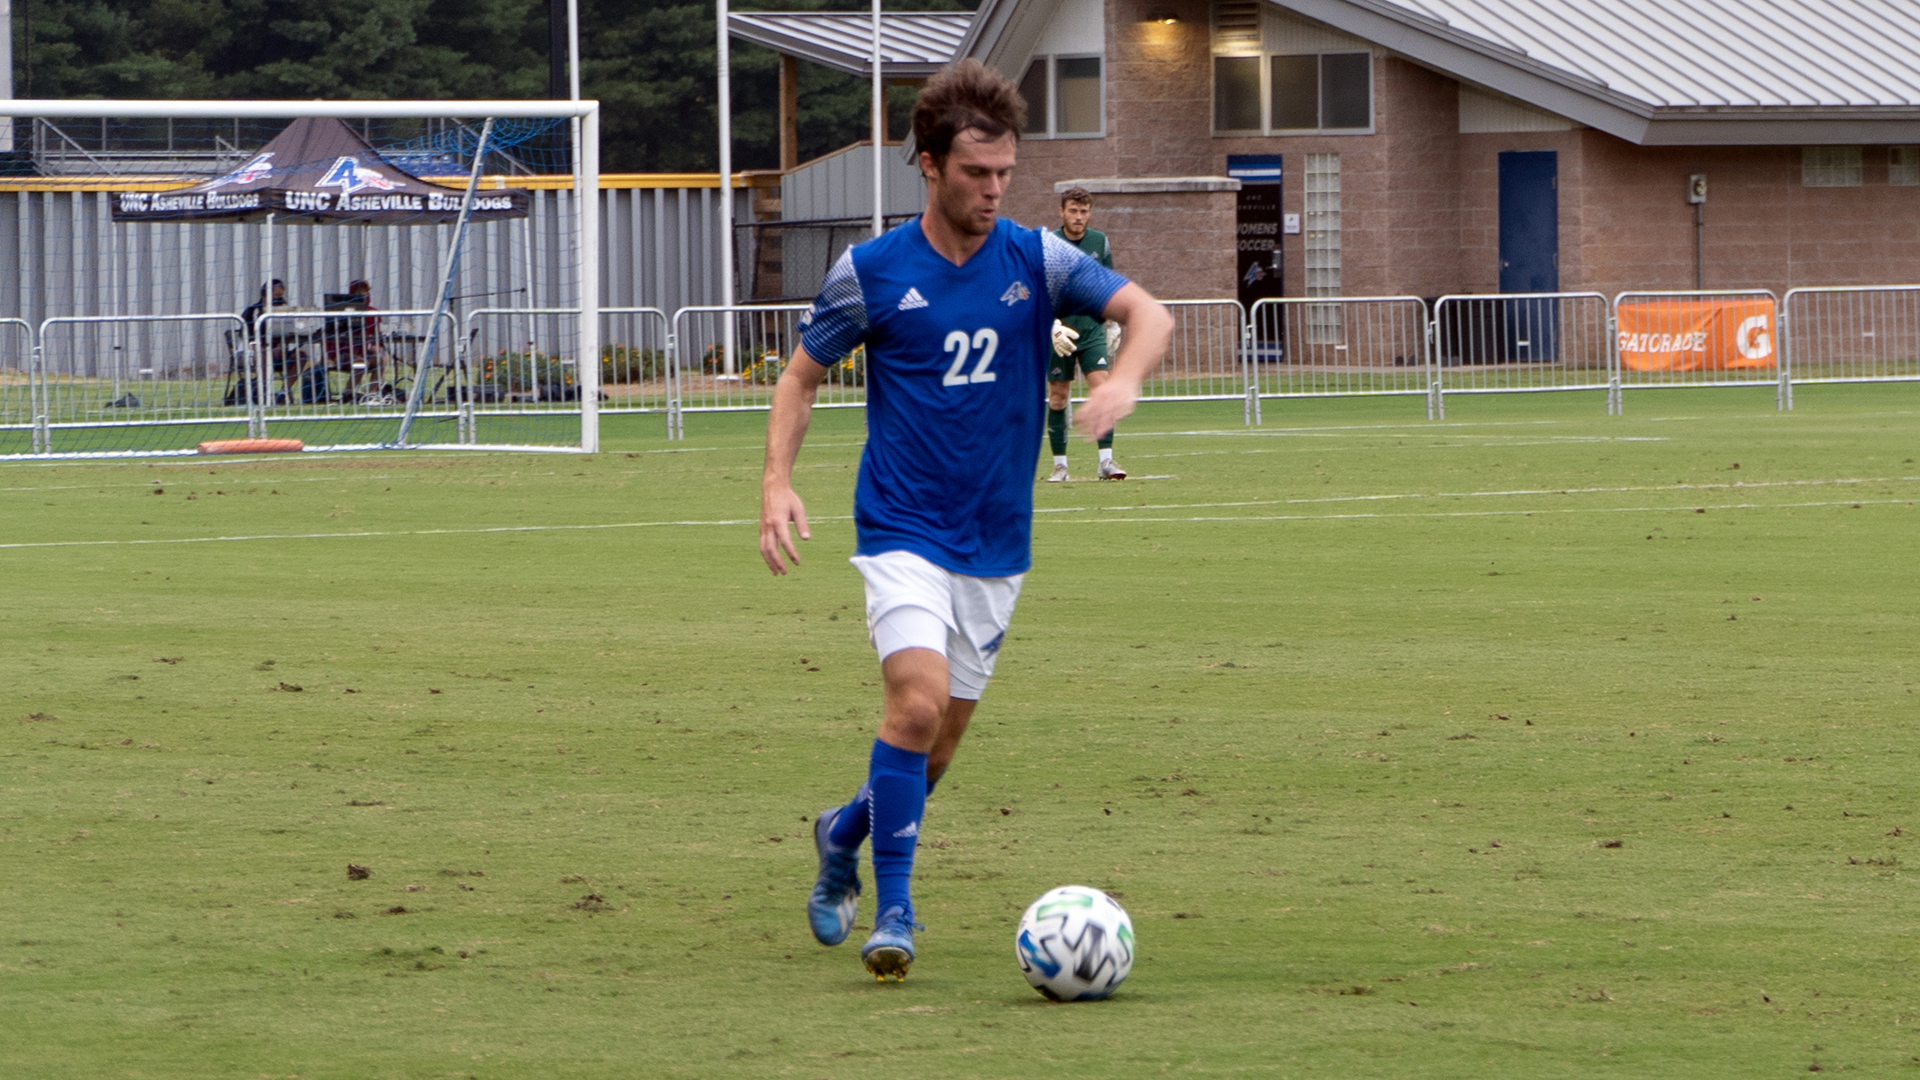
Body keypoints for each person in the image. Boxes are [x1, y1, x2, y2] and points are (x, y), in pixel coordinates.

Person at [758, 58, 1173, 982]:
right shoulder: (870, 272)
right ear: (931, 165)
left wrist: (1128, 377)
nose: (993, 192)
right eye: (975, 175)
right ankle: (894, 907)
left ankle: (843, 831)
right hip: (902, 527)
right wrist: (777, 481)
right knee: (911, 702)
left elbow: (1151, 312)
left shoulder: (1037, 257)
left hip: (997, 542)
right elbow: (799, 375)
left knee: (933, 749)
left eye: (1004, 176)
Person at [1046, 188, 1125, 481]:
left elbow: (1108, 284)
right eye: (1073, 211)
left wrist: (1113, 322)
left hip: (1091, 327)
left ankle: (1106, 462)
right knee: (1058, 396)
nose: (1078, 217)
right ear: (1062, 212)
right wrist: (1052, 326)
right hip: (1060, 330)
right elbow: (1041, 290)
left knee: (1103, 391)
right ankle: (1060, 466)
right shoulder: (1050, 243)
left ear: (1089, 213)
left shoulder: (1099, 241)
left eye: (1083, 212)